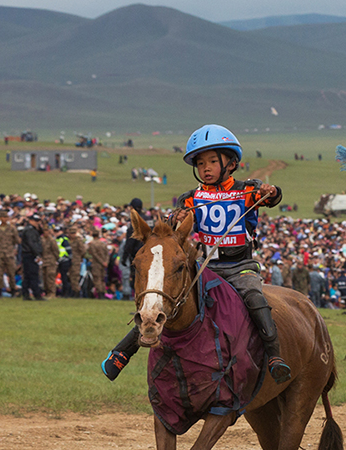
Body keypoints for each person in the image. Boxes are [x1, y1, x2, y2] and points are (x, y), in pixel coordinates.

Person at [102, 124, 291, 384]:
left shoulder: (247, 190)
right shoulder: (191, 198)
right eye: (201, 163)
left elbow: (272, 197)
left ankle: (274, 356)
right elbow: (171, 225)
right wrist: (175, 216)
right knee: (167, 302)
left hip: (241, 266)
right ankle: (122, 352)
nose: (206, 168)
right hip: (205, 267)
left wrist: (272, 191)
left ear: (231, 163)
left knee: (254, 297)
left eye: (213, 161)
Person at [20, 213, 44, 301]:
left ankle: (26, 294)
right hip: (30, 254)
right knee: (33, 274)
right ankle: (37, 294)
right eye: (36, 221)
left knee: (27, 275)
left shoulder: (30, 229)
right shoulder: (30, 230)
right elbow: (32, 243)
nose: (37, 223)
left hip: (27, 254)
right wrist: (38, 254)